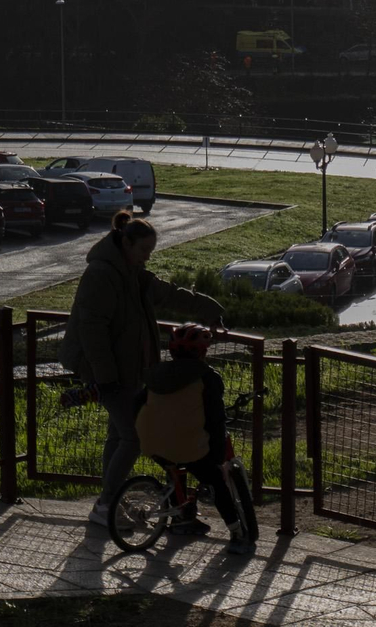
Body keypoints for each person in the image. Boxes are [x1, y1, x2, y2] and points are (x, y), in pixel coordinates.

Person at [60, 212, 225, 529]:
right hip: (110, 374)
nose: (146, 258)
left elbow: (170, 294)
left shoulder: (132, 272)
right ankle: (106, 504)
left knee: (118, 435)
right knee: (133, 438)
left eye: (149, 253)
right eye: (143, 251)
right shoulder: (102, 274)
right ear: (126, 243)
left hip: (129, 372)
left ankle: (110, 503)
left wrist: (212, 310)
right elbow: (93, 330)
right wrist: (106, 380)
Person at [135, 324, 253, 554]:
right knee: (215, 480)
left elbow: (136, 405)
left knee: (174, 464)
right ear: (202, 351)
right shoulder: (208, 378)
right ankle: (238, 533)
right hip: (188, 445)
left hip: (150, 441)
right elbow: (215, 420)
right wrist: (217, 456)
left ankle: (182, 519)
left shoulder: (157, 373)